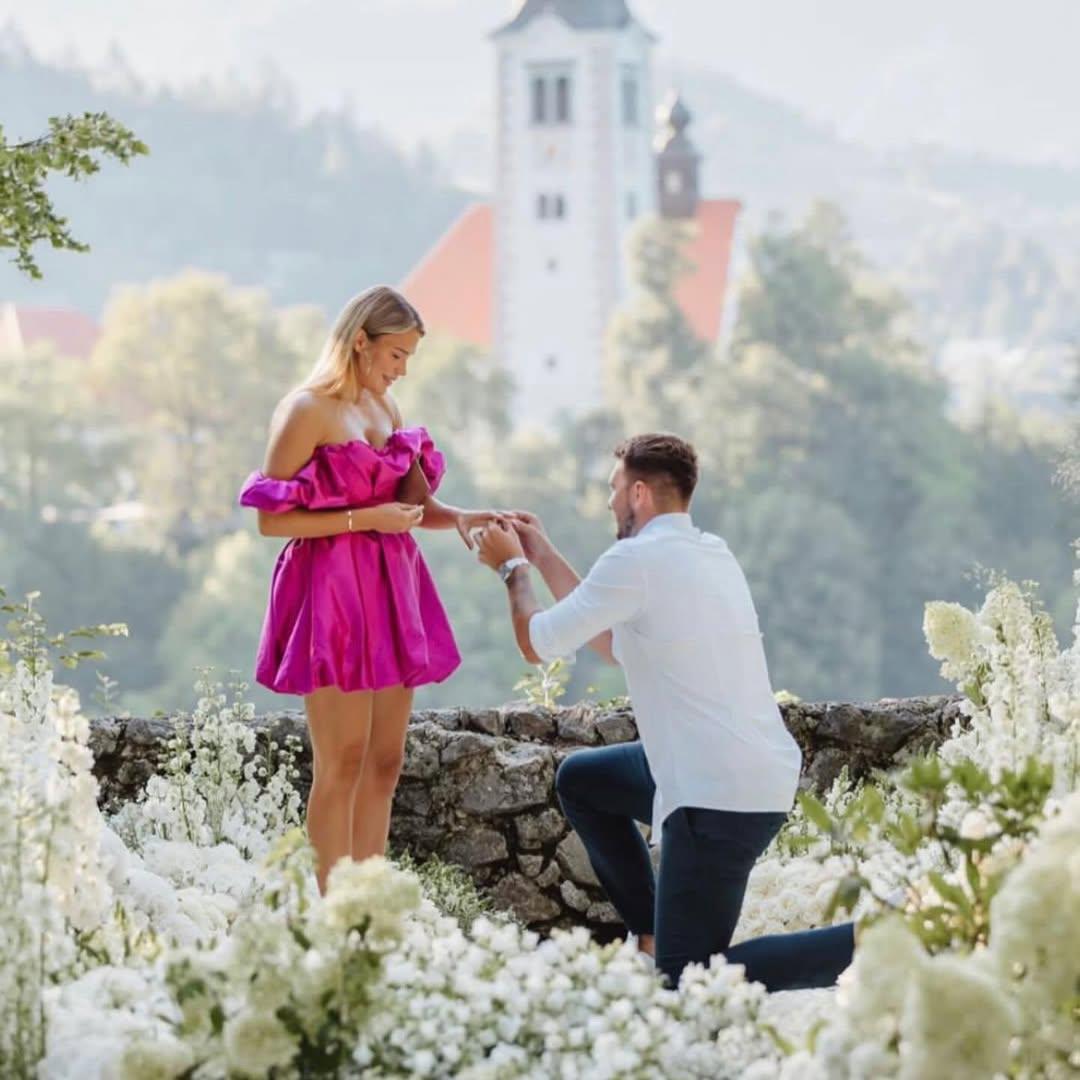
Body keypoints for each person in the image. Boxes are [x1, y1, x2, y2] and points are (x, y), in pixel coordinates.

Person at [475, 433, 855, 990]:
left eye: (612, 490)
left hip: (717, 795)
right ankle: (651, 929)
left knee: (688, 980)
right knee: (583, 780)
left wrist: (513, 570)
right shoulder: (709, 553)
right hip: (738, 769)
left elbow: (536, 644)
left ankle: (873, 938)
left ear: (638, 493)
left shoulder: (637, 560)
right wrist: (543, 555)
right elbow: (609, 641)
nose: (607, 503)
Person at [239, 285, 499, 893]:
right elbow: (270, 520)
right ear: (361, 342)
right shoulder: (306, 410)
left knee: (385, 762)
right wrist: (362, 521)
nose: (402, 370)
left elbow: (412, 506)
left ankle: (368, 903)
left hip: (390, 586)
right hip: (329, 589)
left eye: (409, 357)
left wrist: (462, 517)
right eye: (396, 355)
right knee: (344, 758)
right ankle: (331, 911)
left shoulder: (387, 412)